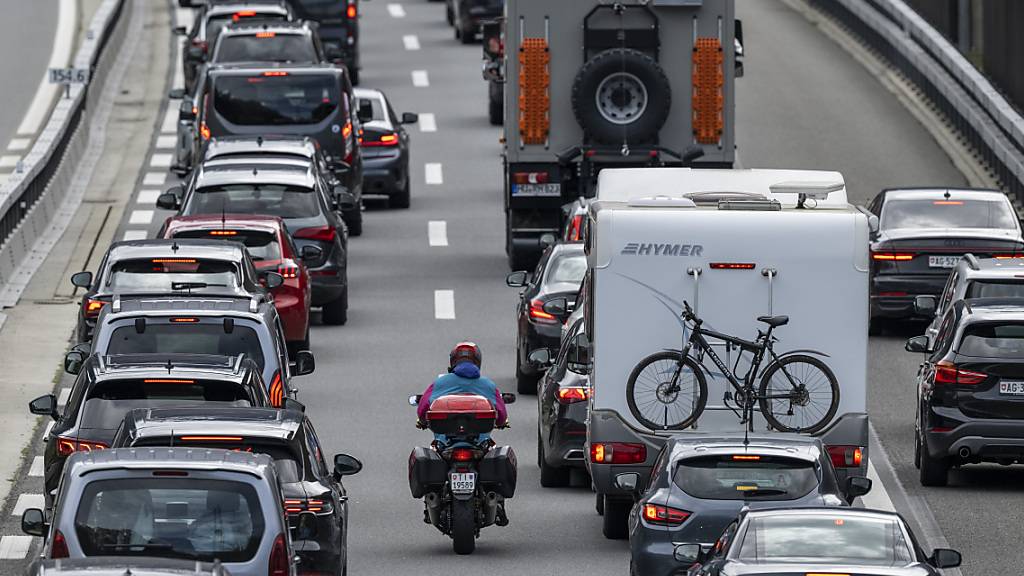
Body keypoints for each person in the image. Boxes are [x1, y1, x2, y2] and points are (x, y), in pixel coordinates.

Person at [417, 341, 508, 446]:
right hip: (480, 444)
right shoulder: (488, 385)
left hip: (444, 443)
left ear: (453, 361)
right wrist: (501, 423)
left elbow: (422, 409)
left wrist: (422, 421)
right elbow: (502, 415)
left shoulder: (440, 382)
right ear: (478, 362)